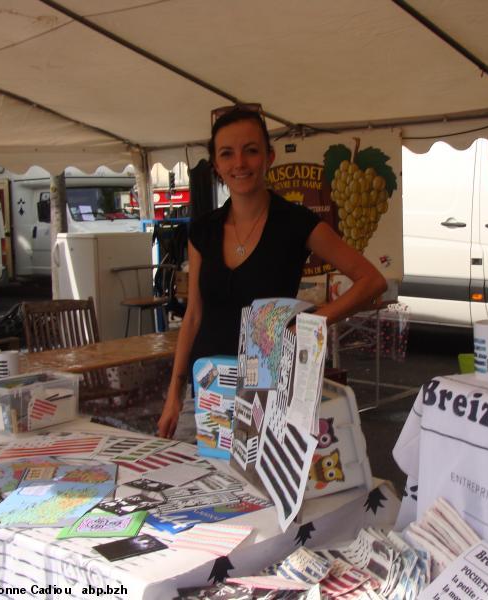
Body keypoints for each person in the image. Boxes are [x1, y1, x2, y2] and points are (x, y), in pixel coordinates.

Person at [157, 105, 387, 439]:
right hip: (209, 385)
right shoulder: (203, 230)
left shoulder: (296, 223)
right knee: (209, 484)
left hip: (269, 389)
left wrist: (309, 323)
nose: (240, 163)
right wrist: (174, 395)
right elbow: (193, 316)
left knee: (262, 487)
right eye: (227, 154)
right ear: (217, 166)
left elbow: (372, 281)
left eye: (251, 151)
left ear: (269, 157)